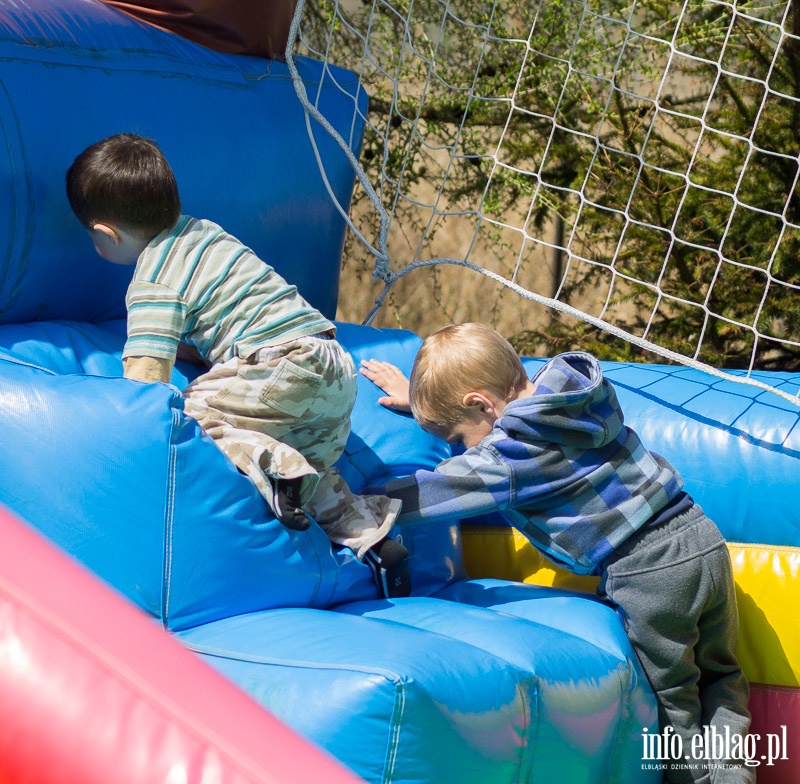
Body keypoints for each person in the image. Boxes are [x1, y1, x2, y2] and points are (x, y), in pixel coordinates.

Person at [360, 322, 753, 783]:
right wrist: (427, 404)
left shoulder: (510, 457)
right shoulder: (576, 393)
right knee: (720, 674)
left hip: (649, 570)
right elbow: (492, 416)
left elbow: (438, 491)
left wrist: (350, 505)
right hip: (700, 536)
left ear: (481, 404)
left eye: (459, 439)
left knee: (672, 695)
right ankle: (735, 772)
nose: (463, 449)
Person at [66, 132, 409, 598]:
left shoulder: (152, 281)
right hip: (332, 365)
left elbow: (145, 383)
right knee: (313, 476)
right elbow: (227, 316)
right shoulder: (204, 232)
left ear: (105, 234)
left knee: (190, 416)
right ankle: (373, 538)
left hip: (280, 366)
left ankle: (275, 466)